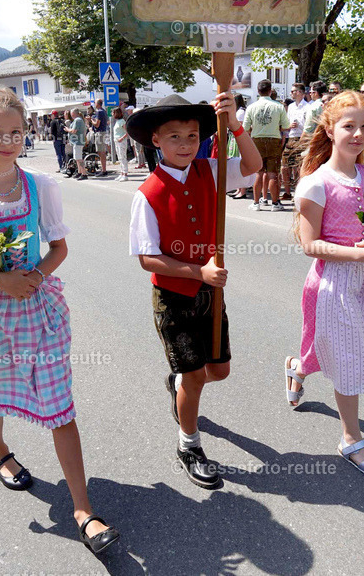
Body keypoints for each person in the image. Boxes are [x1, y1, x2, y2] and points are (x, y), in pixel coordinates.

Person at [0, 85, 119, 554]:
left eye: (15, 132)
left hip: (40, 309)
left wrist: (33, 276)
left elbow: (59, 247)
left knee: (60, 404)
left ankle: (83, 509)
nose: (7, 141)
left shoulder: (41, 186)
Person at [126, 92, 261, 490]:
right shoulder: (147, 193)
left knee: (218, 371)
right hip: (174, 299)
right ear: (156, 140)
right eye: (174, 137)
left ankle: (179, 385)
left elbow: (254, 166)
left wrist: (234, 125)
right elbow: (147, 259)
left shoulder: (211, 170)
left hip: (210, 294)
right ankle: (189, 445)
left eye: (191, 136)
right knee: (195, 376)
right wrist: (199, 271)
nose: (185, 144)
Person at [284, 89, 364, 479]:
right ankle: (351, 438)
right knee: (349, 357)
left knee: (343, 346)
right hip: (331, 282)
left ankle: (298, 367)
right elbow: (310, 244)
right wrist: (360, 254)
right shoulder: (316, 183)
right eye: (349, 126)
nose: (358, 134)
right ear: (330, 130)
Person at [244, 79, 290, 211]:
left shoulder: (251, 107)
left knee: (258, 173)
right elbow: (286, 126)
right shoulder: (278, 106)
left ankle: (256, 202)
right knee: (272, 174)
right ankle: (275, 203)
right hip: (273, 140)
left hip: (257, 140)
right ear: (270, 91)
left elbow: (245, 127)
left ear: (258, 91)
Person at [282, 82, 310, 200]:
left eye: (293, 91)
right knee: (284, 166)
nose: (291, 93)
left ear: (299, 92)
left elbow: (308, 125)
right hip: (291, 137)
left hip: (302, 138)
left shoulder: (307, 107)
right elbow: (287, 123)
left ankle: (298, 193)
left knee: (298, 167)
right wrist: (289, 126)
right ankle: (287, 192)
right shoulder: (291, 107)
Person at [66, 109, 88, 180]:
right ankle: (79, 172)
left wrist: (67, 129)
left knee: (79, 159)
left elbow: (74, 131)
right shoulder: (78, 120)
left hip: (78, 141)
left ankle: (84, 173)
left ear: (73, 114)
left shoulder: (78, 120)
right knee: (77, 158)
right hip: (77, 141)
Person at [112, 103, 131, 182]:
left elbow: (127, 131)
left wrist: (122, 138)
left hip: (121, 141)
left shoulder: (122, 121)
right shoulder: (117, 121)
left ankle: (125, 174)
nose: (112, 114)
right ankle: (122, 173)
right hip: (117, 141)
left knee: (123, 157)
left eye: (113, 113)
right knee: (120, 157)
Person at [90, 99, 109, 177]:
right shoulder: (104, 111)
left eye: (95, 103)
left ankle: (104, 170)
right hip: (103, 132)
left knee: (101, 152)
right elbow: (107, 122)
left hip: (100, 133)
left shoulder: (99, 112)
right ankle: (104, 170)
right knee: (102, 152)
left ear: (97, 104)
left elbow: (97, 124)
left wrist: (91, 120)